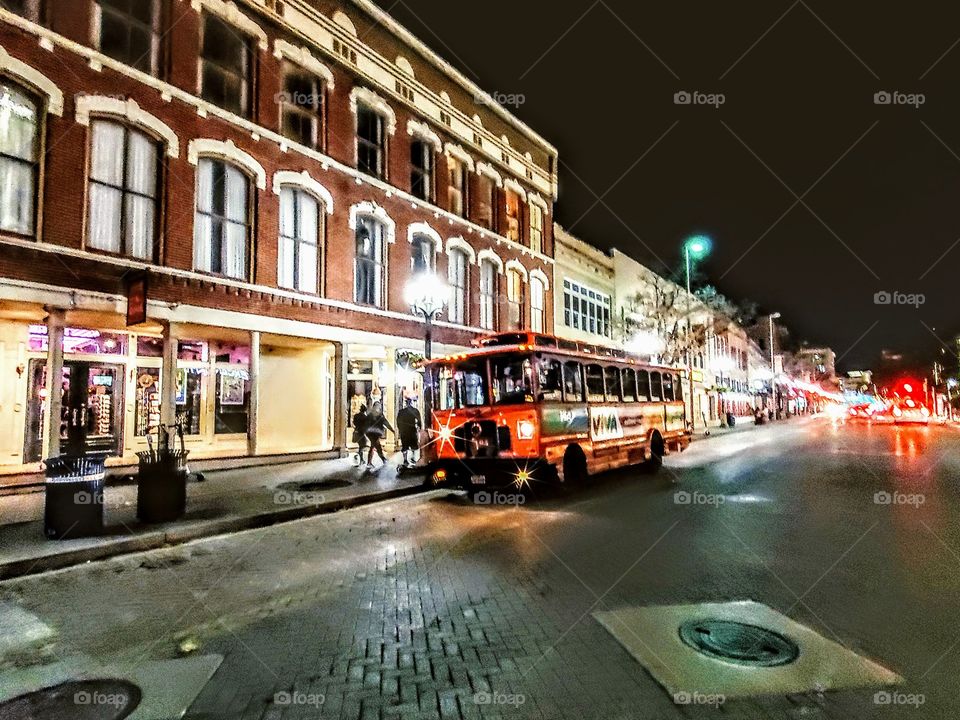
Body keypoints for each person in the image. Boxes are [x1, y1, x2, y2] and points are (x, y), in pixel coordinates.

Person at [364, 401, 395, 470]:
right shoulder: (375, 415)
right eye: (377, 406)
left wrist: (392, 430)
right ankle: (383, 459)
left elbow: (386, 423)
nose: (378, 408)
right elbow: (386, 423)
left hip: (372, 433)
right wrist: (392, 430)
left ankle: (370, 462)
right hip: (372, 433)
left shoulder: (375, 415)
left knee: (373, 447)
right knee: (377, 447)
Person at [396, 398, 422, 467]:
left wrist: (400, 429)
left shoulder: (401, 412)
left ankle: (405, 460)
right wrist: (419, 427)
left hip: (404, 431)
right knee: (413, 445)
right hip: (411, 430)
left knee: (405, 446)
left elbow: (398, 421)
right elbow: (419, 420)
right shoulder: (415, 411)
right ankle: (412, 458)